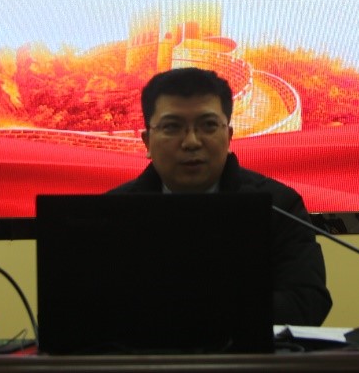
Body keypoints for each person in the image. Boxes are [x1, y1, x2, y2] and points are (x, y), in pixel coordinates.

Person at [108, 66, 333, 326]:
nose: (191, 142)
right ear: (147, 142)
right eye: (172, 127)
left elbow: (307, 301)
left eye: (208, 126)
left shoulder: (278, 205)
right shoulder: (111, 212)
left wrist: (191, 312)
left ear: (228, 136)